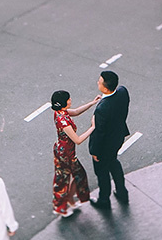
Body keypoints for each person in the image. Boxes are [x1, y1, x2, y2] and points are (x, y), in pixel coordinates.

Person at [51, 90, 98, 217]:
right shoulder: (63, 121)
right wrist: (93, 127)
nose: (70, 100)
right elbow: (77, 140)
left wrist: (92, 103)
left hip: (62, 150)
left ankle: (68, 201)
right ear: (63, 103)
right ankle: (62, 206)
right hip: (66, 154)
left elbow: (76, 112)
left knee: (70, 176)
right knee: (71, 177)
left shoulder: (60, 112)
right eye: (68, 99)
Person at [89, 70, 130, 208]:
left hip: (104, 146)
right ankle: (122, 192)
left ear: (105, 88)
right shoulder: (123, 92)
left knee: (102, 173)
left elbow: (99, 133)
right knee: (113, 162)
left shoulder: (102, 109)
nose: (97, 82)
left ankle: (104, 200)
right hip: (117, 138)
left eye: (99, 82)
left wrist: (94, 151)